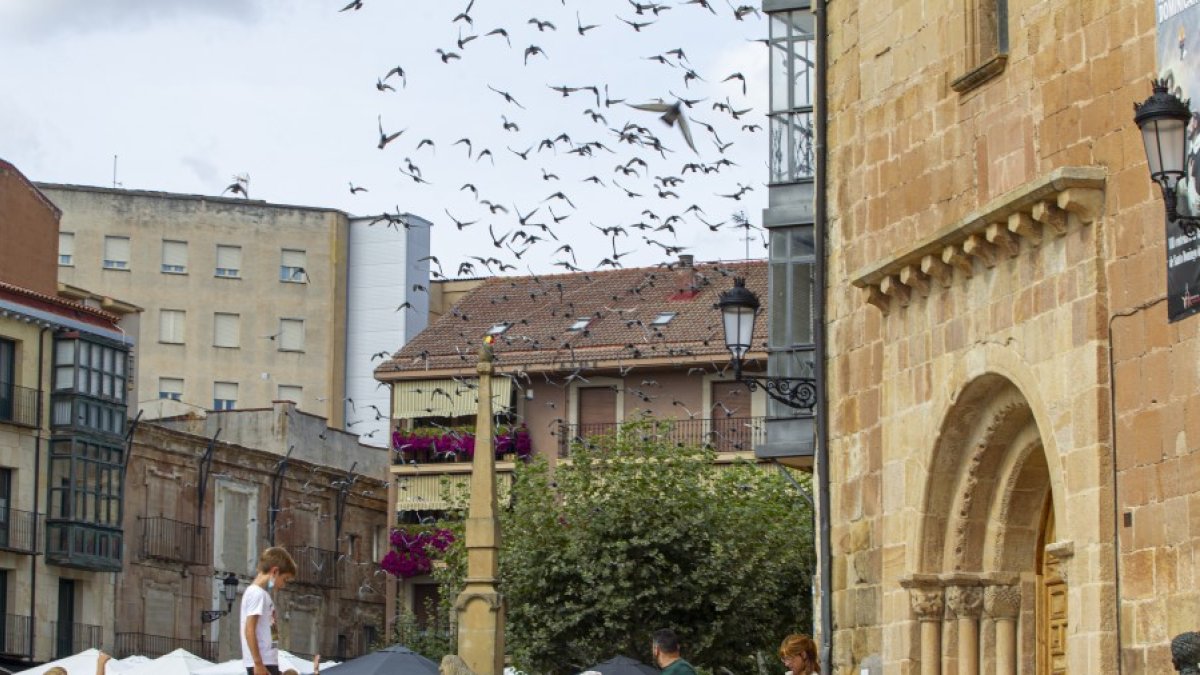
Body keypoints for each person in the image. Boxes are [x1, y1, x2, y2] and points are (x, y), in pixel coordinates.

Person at [241, 546, 298, 675]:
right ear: (275, 571)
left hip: (267, 661)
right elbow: (249, 629)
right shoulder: (257, 594)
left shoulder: (262, 594)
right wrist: (258, 663)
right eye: (285, 579)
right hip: (263, 662)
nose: (283, 585)